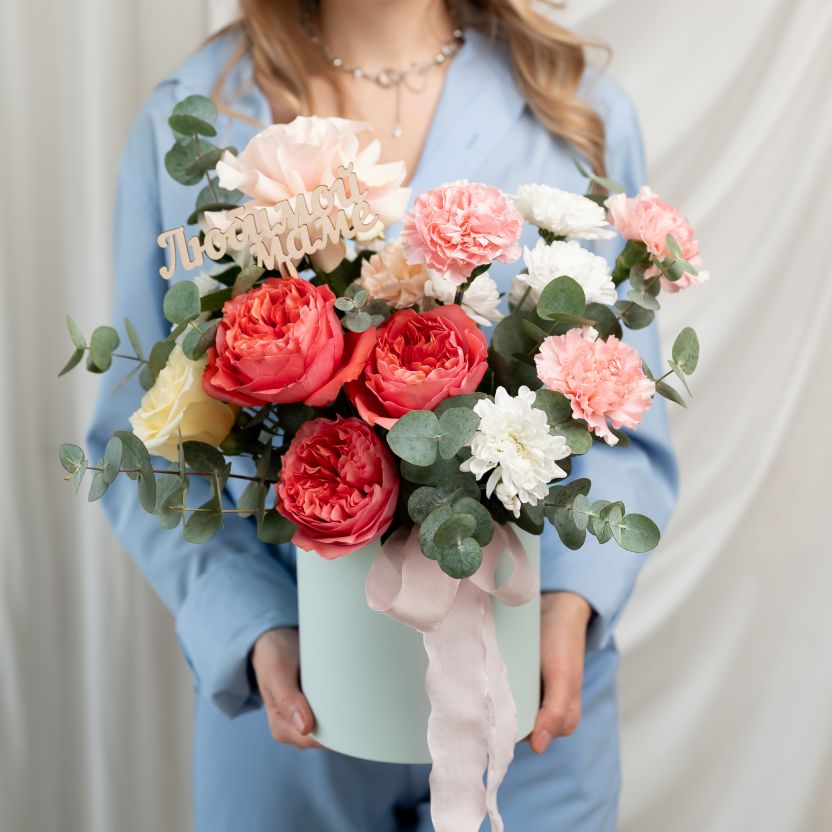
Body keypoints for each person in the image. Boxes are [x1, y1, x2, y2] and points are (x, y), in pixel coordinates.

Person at [87, 1, 677, 829]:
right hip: (298, 712)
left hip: (524, 702)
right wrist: (250, 624)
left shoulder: (576, 109)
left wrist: (574, 600)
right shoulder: (196, 118)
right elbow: (146, 440)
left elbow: (621, 411)